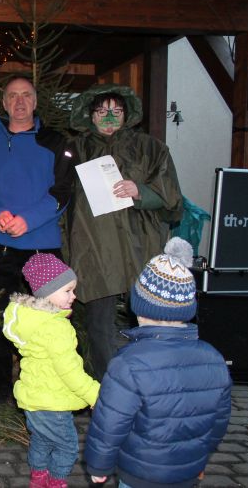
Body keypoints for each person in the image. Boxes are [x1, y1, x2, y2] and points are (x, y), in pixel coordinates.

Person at [85, 238, 231, 488]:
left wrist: (99, 464)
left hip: (140, 475)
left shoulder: (128, 363)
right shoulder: (214, 359)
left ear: (139, 307)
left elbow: (110, 421)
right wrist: (201, 458)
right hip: (187, 473)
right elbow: (219, 420)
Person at [0, 75, 77, 402]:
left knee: (50, 322)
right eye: (12, 96)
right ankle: (0, 387)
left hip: (41, 247)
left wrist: (27, 220)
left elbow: (62, 192)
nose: (19, 102)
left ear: (35, 101)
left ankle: (55, 385)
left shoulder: (55, 143)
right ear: (3, 103)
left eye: (25, 95)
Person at [68, 84, 183, 380]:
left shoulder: (151, 148)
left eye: (116, 111)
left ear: (126, 114)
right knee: (99, 324)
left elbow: (172, 197)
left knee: (148, 318)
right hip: (93, 247)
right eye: (101, 111)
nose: (108, 117)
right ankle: (107, 388)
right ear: (91, 116)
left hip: (139, 244)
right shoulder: (75, 149)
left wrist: (141, 191)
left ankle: (148, 383)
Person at [2, 253, 100, 488]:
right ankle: (55, 482)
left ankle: (38, 479)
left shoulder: (33, 321)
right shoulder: (56, 328)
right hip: (52, 401)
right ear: (47, 292)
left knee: (42, 440)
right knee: (67, 446)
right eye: (67, 290)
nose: (73, 296)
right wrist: (95, 395)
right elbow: (70, 371)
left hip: (33, 399)